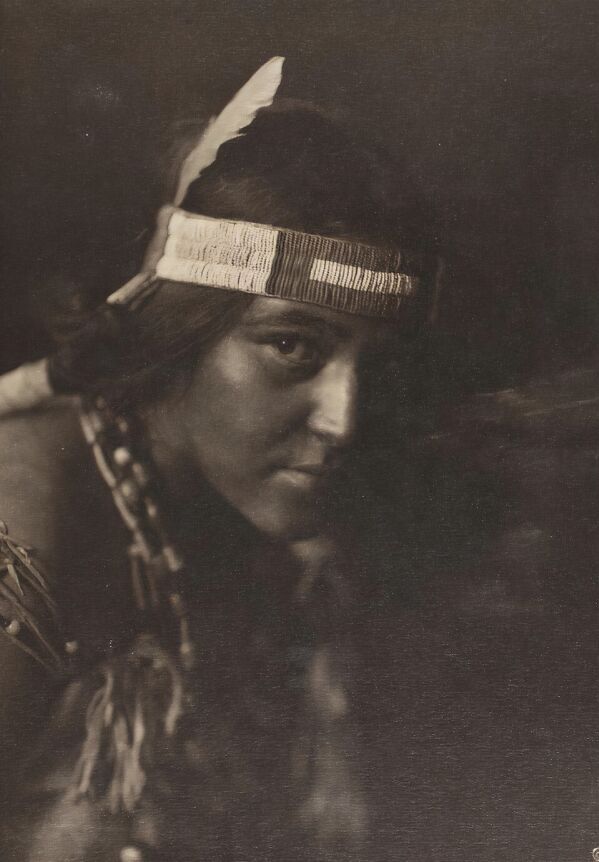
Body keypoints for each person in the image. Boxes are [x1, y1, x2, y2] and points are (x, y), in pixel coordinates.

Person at [0, 58, 440, 861]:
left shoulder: (289, 540)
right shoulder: (22, 499)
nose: (345, 422)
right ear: (184, 328)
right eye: (293, 346)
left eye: (378, 369)